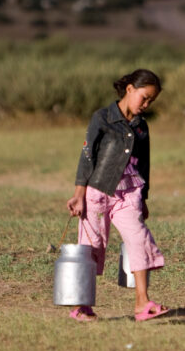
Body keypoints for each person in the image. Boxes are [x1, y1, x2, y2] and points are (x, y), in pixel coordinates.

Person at [66, 69, 169, 322]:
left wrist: (143, 198)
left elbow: (143, 164)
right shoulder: (101, 118)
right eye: (144, 98)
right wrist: (79, 194)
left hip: (130, 193)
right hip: (97, 193)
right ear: (130, 89)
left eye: (151, 101)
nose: (146, 105)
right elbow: (87, 156)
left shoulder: (142, 127)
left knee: (139, 239)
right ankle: (82, 306)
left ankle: (142, 304)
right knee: (91, 248)